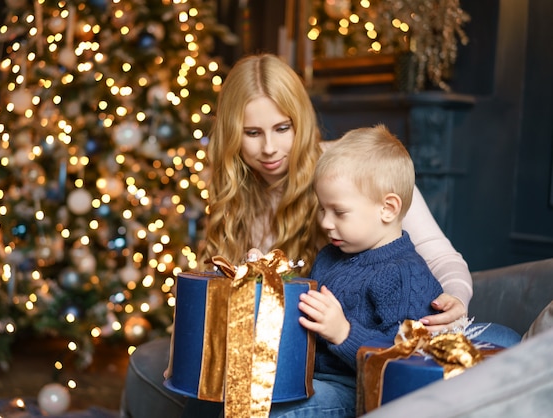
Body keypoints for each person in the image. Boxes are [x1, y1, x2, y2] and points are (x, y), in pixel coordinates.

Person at [120, 53, 520, 418]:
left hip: (373, 349)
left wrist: (455, 299)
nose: (270, 148)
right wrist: (191, 349)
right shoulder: (234, 199)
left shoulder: (350, 169)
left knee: (502, 342)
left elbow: (434, 253)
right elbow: (220, 303)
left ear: (301, 121)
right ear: (230, 134)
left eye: (282, 127)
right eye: (252, 133)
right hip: (307, 357)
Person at [267, 124, 444, 417]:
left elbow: (403, 360)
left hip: (357, 390)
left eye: (339, 212)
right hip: (309, 376)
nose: (325, 222)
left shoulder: (403, 275)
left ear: (387, 209)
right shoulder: (329, 256)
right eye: (322, 209)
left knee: (274, 411)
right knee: (229, 390)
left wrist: (344, 333)